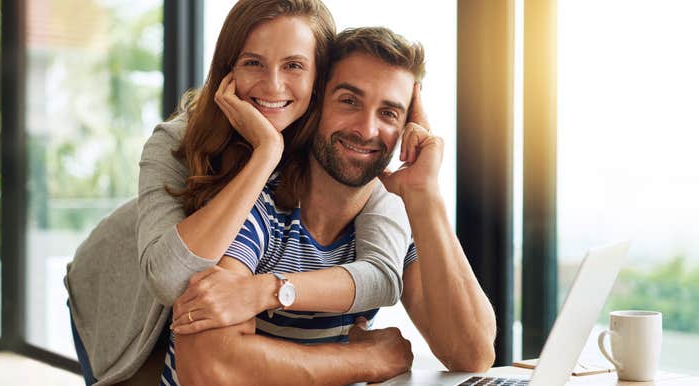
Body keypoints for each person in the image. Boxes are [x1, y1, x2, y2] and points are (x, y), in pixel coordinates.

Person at [64, 1, 413, 385]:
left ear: (319, 76)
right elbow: (168, 279)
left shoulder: (332, 142)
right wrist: (266, 153)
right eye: (253, 63)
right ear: (228, 69)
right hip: (128, 298)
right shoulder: (176, 141)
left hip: (204, 303)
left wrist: (414, 141)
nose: (273, 85)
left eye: (293, 65)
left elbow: (381, 274)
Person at [164, 27, 497, 386]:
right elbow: (210, 368)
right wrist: (368, 359)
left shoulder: (393, 218)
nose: (366, 130)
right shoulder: (257, 204)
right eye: (349, 101)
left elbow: (472, 353)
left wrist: (425, 194)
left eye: (389, 113)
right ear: (317, 101)